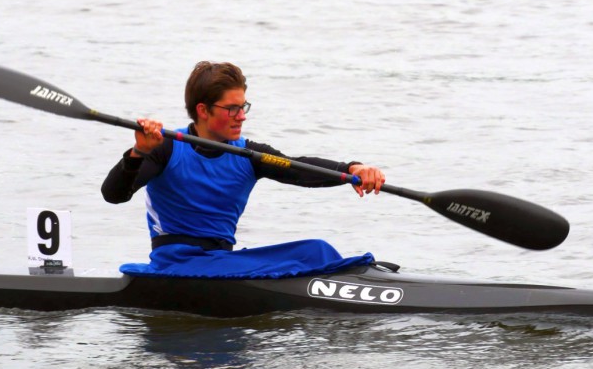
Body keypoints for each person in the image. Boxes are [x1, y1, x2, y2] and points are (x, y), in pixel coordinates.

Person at [102, 61, 386, 278]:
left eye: (243, 107)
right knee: (314, 258)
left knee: (317, 250)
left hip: (222, 261)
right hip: (177, 264)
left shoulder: (248, 154)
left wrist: (352, 170)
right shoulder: (165, 147)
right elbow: (113, 195)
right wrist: (139, 152)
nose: (241, 117)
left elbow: (299, 169)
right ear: (203, 110)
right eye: (232, 109)